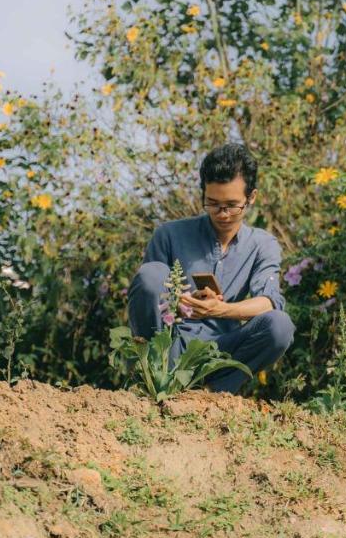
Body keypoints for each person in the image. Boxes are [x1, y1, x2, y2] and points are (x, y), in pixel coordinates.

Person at [126, 142, 294, 393]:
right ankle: (156, 380)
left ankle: (213, 394)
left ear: (251, 198)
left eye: (232, 205)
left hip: (221, 352)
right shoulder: (169, 235)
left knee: (280, 325)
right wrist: (181, 303)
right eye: (213, 203)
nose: (222, 213)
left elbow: (269, 302)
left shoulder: (263, 244)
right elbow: (148, 297)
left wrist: (221, 309)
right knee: (151, 273)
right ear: (203, 194)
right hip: (169, 346)